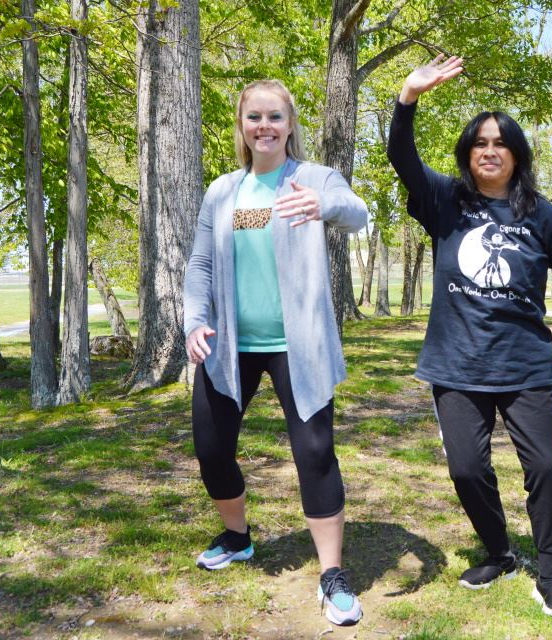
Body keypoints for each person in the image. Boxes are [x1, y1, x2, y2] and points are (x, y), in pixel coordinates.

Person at [387, 56, 552, 622]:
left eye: (501, 143)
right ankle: (499, 552)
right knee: (466, 469)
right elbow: (402, 159)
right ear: (468, 154)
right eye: (479, 143)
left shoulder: (546, 217)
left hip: (525, 365)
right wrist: (407, 98)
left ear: (517, 154)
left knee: (547, 470)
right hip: (456, 362)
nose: (489, 151)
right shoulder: (446, 202)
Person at [183, 79, 367, 626]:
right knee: (211, 450)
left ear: (290, 125)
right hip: (230, 346)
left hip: (297, 346)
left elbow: (357, 212)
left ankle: (331, 574)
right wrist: (195, 321)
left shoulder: (311, 179)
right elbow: (199, 266)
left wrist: (325, 204)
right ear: (241, 125)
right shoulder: (223, 192)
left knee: (314, 453)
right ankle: (238, 537)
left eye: (275, 117)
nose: (265, 126)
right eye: (254, 117)